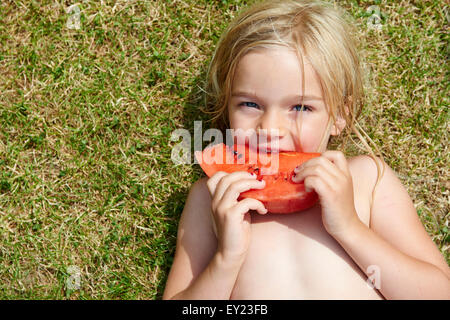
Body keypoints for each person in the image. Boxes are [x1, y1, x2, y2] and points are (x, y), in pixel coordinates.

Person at [163, 0, 450, 299]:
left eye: (300, 106)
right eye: (250, 104)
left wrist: (350, 228)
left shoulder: (367, 180)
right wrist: (226, 259)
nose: (270, 128)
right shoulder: (212, 197)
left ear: (339, 115)